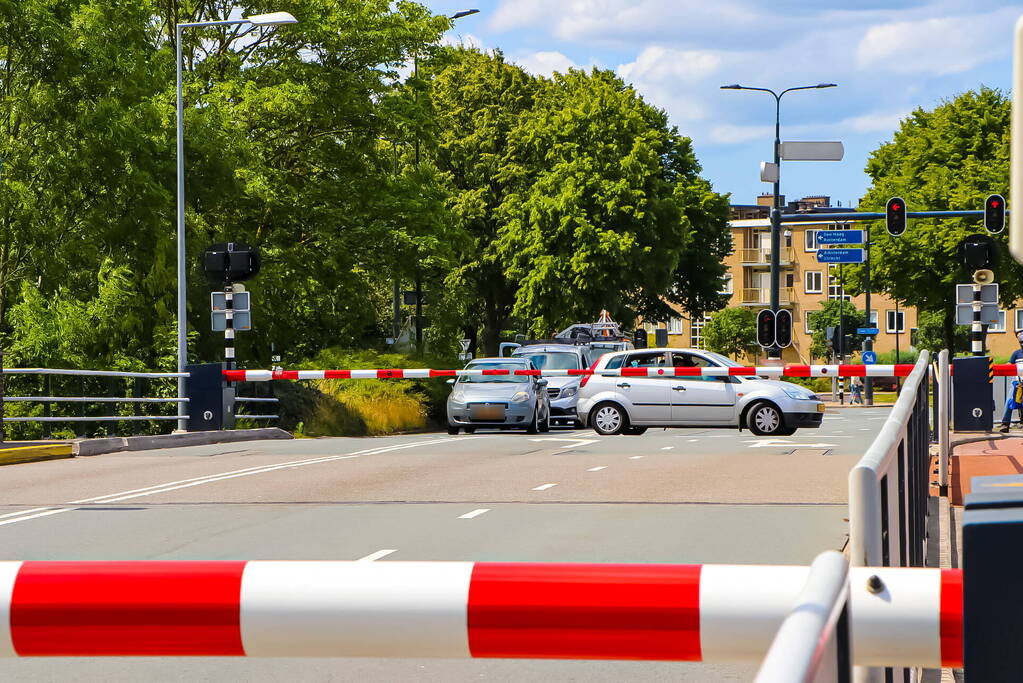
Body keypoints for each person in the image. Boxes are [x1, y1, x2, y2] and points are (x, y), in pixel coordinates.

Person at [999, 332, 1023, 432]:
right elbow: (1009, 365)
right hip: (1017, 381)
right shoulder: (1016, 354)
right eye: (1021, 342)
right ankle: (1005, 424)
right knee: (1010, 400)